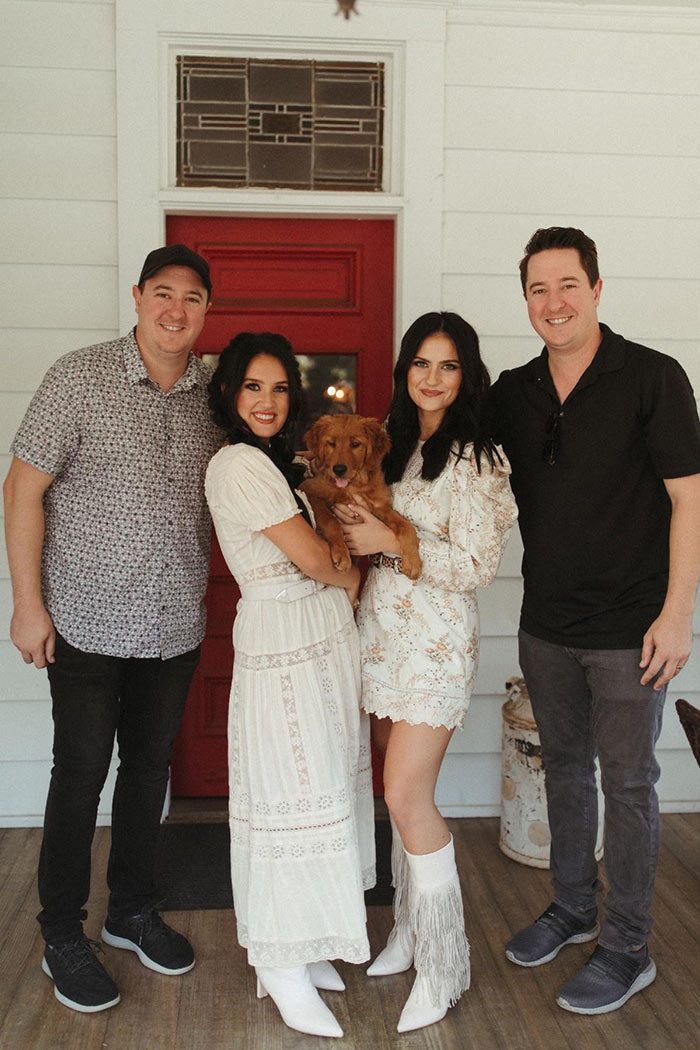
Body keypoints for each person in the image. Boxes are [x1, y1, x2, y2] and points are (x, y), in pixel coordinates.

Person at [3, 245, 222, 1013]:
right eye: (163, 294)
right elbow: (22, 489)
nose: (175, 311)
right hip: (87, 623)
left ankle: (131, 910)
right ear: (137, 297)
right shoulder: (78, 377)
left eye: (191, 298)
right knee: (81, 772)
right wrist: (28, 605)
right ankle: (63, 931)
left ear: (205, 309)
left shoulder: (213, 392)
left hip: (173, 625)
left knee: (148, 771)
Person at [488, 227, 700, 1015]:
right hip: (545, 625)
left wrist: (678, 616)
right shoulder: (514, 392)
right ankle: (574, 909)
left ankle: (628, 948)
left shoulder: (651, 378)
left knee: (632, 785)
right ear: (527, 299)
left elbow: (690, 499)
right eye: (539, 289)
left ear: (598, 288)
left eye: (568, 284)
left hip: (631, 632)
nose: (555, 302)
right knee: (565, 771)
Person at [335, 312, 517, 1032]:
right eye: (420, 363)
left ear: (466, 375)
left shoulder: (479, 458)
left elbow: (477, 566)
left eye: (446, 366)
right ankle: (410, 931)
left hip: (433, 647)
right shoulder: (397, 446)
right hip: (379, 640)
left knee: (407, 796)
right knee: (396, 795)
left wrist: (386, 539)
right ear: (405, 369)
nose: (431, 378)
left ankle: (444, 965)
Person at [205, 332, 375, 1040]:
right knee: (287, 795)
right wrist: (354, 574)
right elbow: (315, 560)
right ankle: (277, 961)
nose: (267, 402)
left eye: (278, 388)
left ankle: (309, 944)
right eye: (252, 387)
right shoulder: (237, 463)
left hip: (325, 644)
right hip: (283, 643)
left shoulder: (288, 463)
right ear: (229, 394)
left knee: (326, 789)